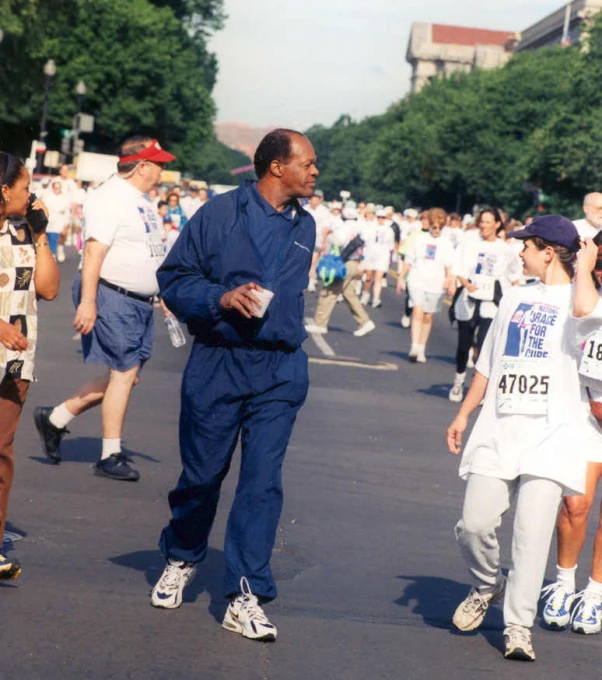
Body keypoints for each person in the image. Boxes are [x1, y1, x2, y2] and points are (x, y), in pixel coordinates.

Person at [149, 128, 317, 642]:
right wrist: (221, 298)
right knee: (202, 475)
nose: (314, 172)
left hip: (280, 371)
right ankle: (182, 554)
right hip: (219, 364)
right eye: (307, 163)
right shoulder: (218, 215)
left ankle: (245, 594)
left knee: (262, 481)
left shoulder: (305, 225)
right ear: (276, 168)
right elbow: (173, 279)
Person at [447, 215, 594, 662]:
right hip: (500, 427)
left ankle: (518, 626)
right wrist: (463, 413)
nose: (519, 252)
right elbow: (489, 363)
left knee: (531, 537)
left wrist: (584, 267)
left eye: (526, 245)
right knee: (474, 524)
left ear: (548, 251)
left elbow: (587, 311)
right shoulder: (513, 296)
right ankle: (487, 584)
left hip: (553, 436)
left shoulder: (583, 299)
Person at [33, 136, 176, 481]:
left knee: (128, 376)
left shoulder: (140, 199)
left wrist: (161, 294)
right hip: (114, 295)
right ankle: (109, 455)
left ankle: (55, 418)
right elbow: (94, 252)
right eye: (159, 163)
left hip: (137, 299)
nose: (163, 169)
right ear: (141, 166)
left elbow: (147, 251)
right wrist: (88, 302)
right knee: (124, 375)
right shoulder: (110, 198)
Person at [0, 152, 60, 579]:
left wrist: (41, 235)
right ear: (4, 190)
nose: (31, 192)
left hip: (15, 361)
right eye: (24, 186)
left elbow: (49, 289)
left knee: (0, 451)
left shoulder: (24, 229)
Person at [540, 237, 602, 634]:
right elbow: (582, 310)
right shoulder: (585, 299)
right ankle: (563, 584)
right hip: (587, 415)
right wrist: (586, 265)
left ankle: (595, 593)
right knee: (575, 505)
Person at [448, 207, 522, 402]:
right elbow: (460, 269)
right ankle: (458, 381)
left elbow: (515, 275)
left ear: (497, 224)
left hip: (492, 302)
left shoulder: (505, 249)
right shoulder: (470, 243)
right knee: (464, 345)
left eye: (489, 222)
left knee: (484, 348)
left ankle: (478, 390)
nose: (484, 226)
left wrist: (516, 299)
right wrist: (466, 284)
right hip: (469, 299)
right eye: (482, 221)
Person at [304, 204, 375, 337]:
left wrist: (330, 236)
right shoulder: (362, 228)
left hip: (343, 264)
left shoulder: (345, 228)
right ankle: (365, 321)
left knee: (328, 292)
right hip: (355, 263)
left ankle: (320, 323)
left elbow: (339, 241)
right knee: (349, 294)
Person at [397, 208, 455, 363]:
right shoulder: (419, 239)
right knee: (417, 310)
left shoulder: (446, 243)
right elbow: (409, 261)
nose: (436, 230)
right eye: (434, 227)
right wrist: (401, 277)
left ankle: (422, 348)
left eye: (439, 228)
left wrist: (449, 281)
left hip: (436, 284)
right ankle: (414, 347)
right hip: (417, 280)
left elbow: (449, 266)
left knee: (428, 316)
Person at [360, 207, 395, 308]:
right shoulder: (370, 228)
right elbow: (364, 241)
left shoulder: (389, 230)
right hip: (370, 254)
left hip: (382, 256)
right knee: (368, 278)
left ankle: (376, 298)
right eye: (379, 217)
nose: (381, 219)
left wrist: (391, 258)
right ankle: (365, 294)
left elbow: (391, 246)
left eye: (383, 217)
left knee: (378, 278)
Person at [306, 189, 332, 292]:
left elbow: (325, 228)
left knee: (313, 261)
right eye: (312, 198)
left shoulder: (324, 211)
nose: (314, 201)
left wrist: (324, 242)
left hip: (318, 238)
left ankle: (311, 281)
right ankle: (308, 278)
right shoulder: (305, 209)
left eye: (317, 199)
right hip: (305, 238)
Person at [44, 180, 70, 258]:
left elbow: (67, 211)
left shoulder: (64, 197)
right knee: (50, 236)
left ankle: (55, 252)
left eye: (58, 188)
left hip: (60, 218)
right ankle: (51, 253)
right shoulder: (48, 197)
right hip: (50, 218)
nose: (57, 190)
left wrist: (66, 223)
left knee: (57, 236)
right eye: (55, 188)